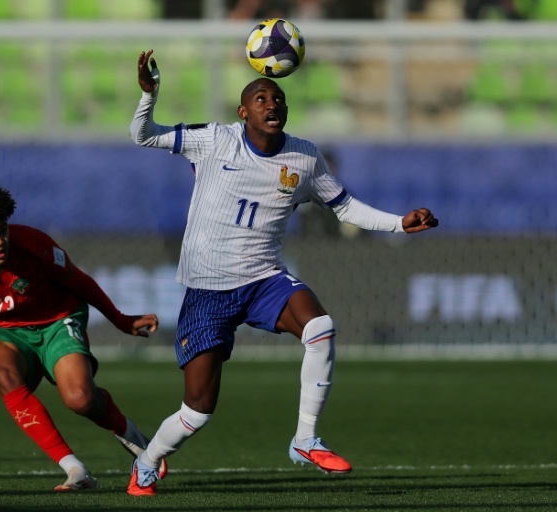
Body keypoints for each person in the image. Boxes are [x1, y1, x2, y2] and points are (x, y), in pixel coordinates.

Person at [126, 50, 439, 496]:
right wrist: (148, 96)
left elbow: (344, 206)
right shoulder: (215, 139)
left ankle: (305, 438)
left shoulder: (306, 158)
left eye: (278, 99)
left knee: (321, 327)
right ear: (243, 111)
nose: (271, 104)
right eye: (261, 97)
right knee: (197, 411)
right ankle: (149, 460)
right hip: (209, 290)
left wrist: (398, 223)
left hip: (264, 279)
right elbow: (143, 136)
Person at [0, 184, 167, 492]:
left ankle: (133, 437)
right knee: (1, 372)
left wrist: (120, 319)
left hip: (57, 319)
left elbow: (79, 281)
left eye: (3, 230)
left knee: (80, 399)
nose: (0, 241)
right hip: (2, 331)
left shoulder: (34, 244)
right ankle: (75, 470)